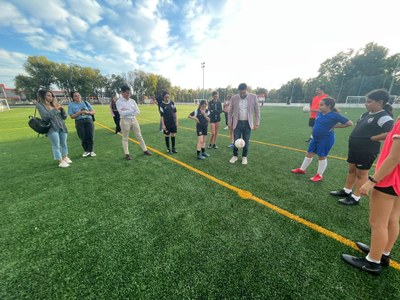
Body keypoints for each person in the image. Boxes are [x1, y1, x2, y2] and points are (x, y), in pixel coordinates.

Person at [341, 114, 400, 275]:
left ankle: (372, 262)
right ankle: (382, 253)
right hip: (397, 179)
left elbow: (395, 157)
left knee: (378, 223)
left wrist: (372, 181)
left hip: (389, 179)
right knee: (392, 220)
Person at [330, 89, 394, 205]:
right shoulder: (365, 114)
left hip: (367, 150)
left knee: (361, 174)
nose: (366, 104)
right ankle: (347, 190)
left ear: (380, 102)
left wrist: (373, 138)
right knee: (351, 170)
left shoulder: (384, 117)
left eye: (369, 101)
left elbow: (391, 133)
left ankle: (356, 197)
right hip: (355, 148)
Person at [291, 97, 353, 182]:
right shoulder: (320, 113)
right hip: (315, 138)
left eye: (321, 105)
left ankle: (319, 175)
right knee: (309, 153)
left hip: (326, 139)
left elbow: (349, 123)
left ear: (329, 106)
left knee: (322, 156)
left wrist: (334, 126)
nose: (319, 106)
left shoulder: (334, 115)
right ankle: (302, 169)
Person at [116, 85, 152, 160]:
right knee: (125, 137)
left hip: (134, 120)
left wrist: (127, 111)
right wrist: (132, 110)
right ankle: (127, 154)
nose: (128, 94)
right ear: (122, 92)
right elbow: (122, 113)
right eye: (126, 93)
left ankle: (145, 150)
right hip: (124, 120)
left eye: (129, 93)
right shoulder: (118, 102)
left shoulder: (132, 101)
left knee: (139, 135)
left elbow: (138, 112)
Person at [36, 90, 71, 168]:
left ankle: (65, 157)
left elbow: (64, 117)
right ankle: (60, 161)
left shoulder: (54, 104)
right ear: (43, 96)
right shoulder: (40, 105)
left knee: (64, 143)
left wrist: (62, 109)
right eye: (48, 95)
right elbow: (46, 117)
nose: (51, 97)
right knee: (56, 145)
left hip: (62, 126)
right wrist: (55, 109)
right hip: (51, 128)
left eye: (52, 95)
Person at [228, 83, 260, 165]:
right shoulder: (234, 98)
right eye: (240, 93)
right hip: (237, 123)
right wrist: (229, 122)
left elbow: (257, 111)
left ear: (247, 90)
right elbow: (230, 111)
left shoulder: (253, 97)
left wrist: (257, 123)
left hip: (247, 123)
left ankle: (244, 157)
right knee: (236, 140)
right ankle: (235, 156)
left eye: (244, 93)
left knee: (246, 141)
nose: (242, 94)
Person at [68, 91, 96, 157]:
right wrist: (79, 112)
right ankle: (86, 151)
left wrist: (88, 112)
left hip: (88, 120)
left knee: (90, 136)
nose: (78, 97)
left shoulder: (86, 103)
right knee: (83, 137)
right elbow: (72, 116)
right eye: (75, 96)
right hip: (79, 121)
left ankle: (91, 151)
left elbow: (93, 111)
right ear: (73, 98)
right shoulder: (71, 105)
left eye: (79, 95)